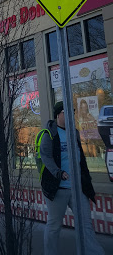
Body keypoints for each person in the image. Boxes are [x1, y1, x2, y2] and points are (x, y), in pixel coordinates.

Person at [40, 101, 104, 255]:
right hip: (58, 188)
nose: (70, 115)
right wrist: (58, 172)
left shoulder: (74, 132)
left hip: (77, 187)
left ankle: (92, 252)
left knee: (85, 224)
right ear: (58, 114)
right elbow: (46, 157)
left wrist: (86, 179)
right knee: (54, 225)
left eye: (72, 112)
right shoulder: (49, 134)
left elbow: (79, 158)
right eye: (66, 111)